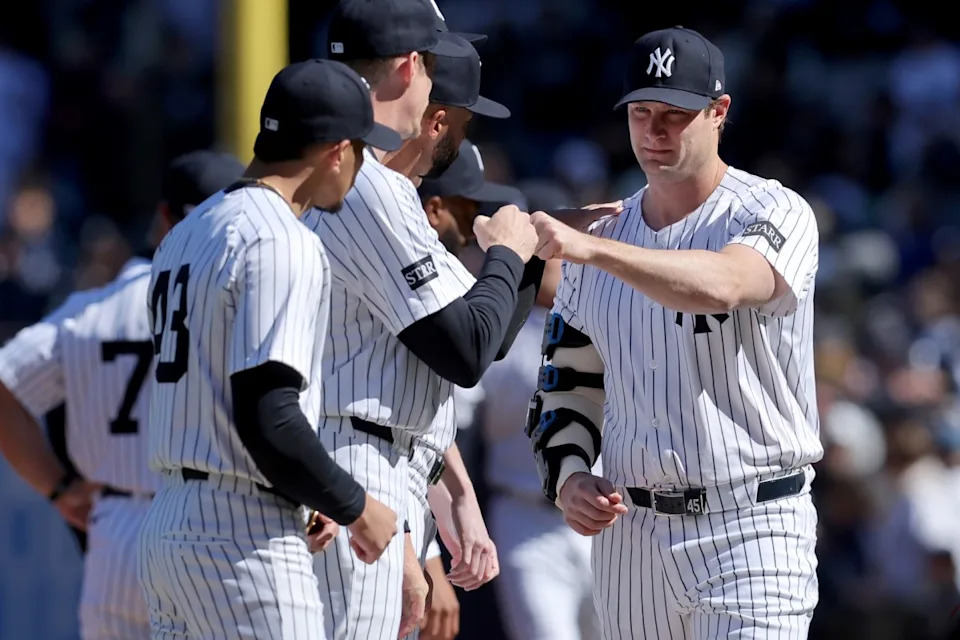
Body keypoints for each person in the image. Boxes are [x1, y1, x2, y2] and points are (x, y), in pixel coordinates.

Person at [528, 27, 822, 638]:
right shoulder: (601, 234)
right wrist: (570, 475)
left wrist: (591, 250)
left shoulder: (772, 209)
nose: (654, 131)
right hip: (631, 534)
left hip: (754, 523)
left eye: (675, 114)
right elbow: (567, 377)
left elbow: (723, 282)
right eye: (641, 112)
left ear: (719, 113)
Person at [137, 58, 403, 640]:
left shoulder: (186, 233)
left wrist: (303, 494)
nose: (363, 166)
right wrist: (358, 506)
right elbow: (270, 413)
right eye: (362, 150)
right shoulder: (281, 238)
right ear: (335, 151)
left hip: (168, 528)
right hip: (240, 538)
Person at [304, 2, 540, 638]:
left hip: (365, 462)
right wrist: (511, 255)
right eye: (435, 65)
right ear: (412, 68)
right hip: (349, 462)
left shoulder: (335, 173)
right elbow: (465, 349)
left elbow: (475, 337)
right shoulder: (365, 182)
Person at [0, 149, 244, 640]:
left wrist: (58, 487)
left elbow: (5, 385)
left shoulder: (92, 309)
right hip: (206, 523)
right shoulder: (241, 302)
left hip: (114, 531)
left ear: (162, 220)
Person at [384, 37, 513, 640]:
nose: (475, 217)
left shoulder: (392, 213)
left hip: (394, 486)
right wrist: (511, 257)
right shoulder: (377, 211)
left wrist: (458, 496)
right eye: (467, 206)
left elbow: (419, 399)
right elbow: (469, 351)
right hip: (359, 494)